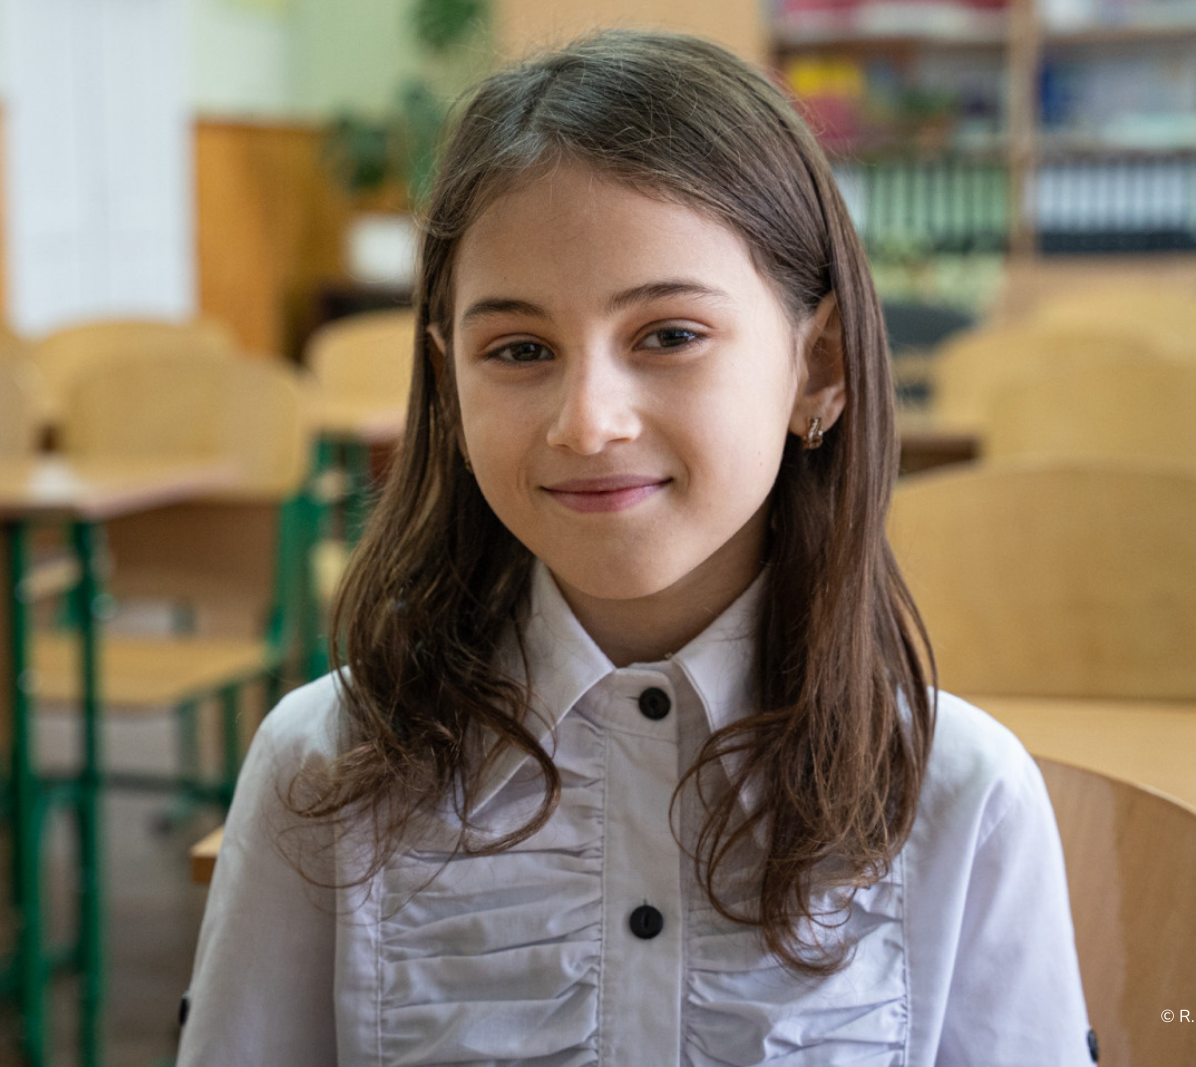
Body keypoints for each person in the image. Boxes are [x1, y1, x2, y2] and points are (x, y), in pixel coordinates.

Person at [178, 29, 1095, 1066]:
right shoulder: (323, 763)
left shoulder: (956, 791)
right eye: (518, 350)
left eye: (668, 334)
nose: (588, 420)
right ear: (448, 382)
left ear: (819, 365)